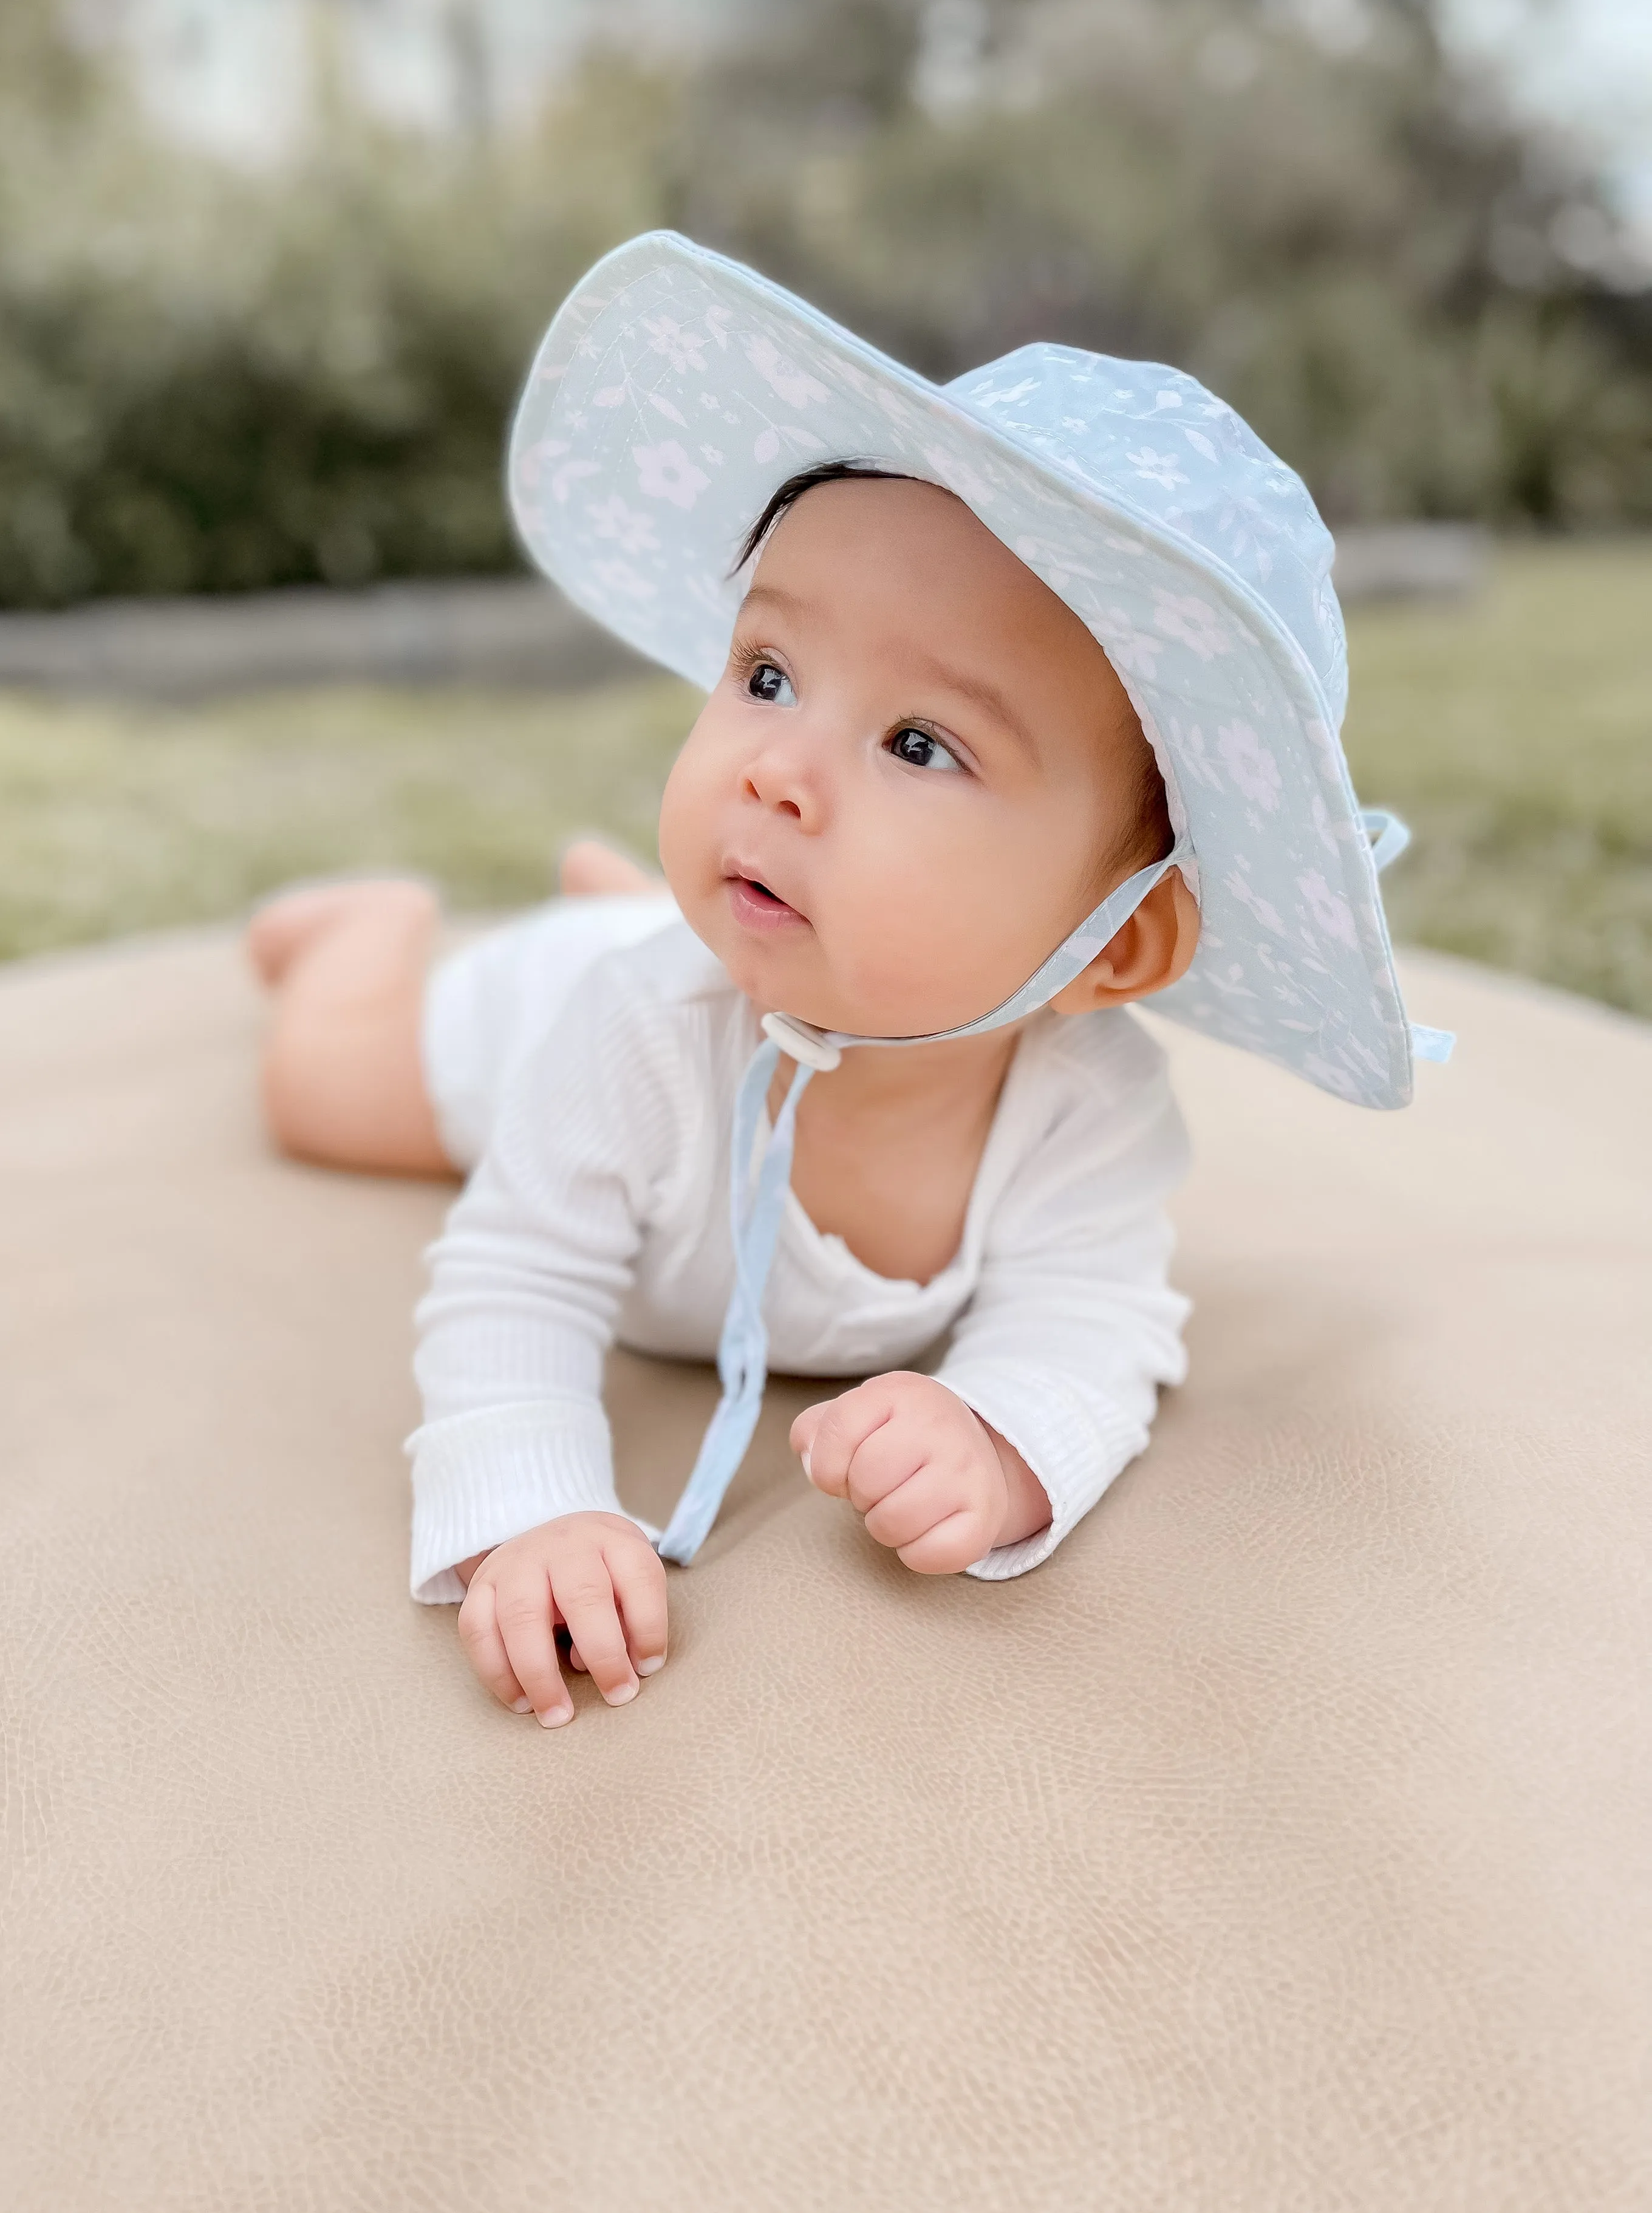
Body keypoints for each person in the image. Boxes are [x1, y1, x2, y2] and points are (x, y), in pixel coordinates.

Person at [248, 231, 1444, 1729]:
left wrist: (1001, 1440)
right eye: (767, 677)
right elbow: (519, 1276)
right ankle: (370, 929)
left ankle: (618, 893)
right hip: (539, 1019)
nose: (780, 773)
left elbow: (1098, 1325)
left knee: (704, 920)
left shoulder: (1088, 1114)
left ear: (1117, 944)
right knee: (323, 1089)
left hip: (716, 944)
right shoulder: (633, 1036)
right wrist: (531, 1506)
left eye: (921, 745)